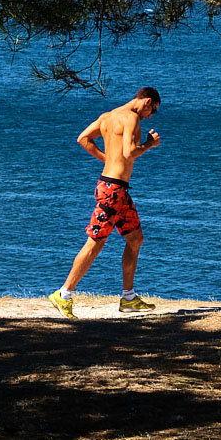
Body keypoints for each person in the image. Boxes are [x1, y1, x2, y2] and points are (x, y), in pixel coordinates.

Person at [49, 87, 162, 318]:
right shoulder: (131, 118)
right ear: (147, 101)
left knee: (135, 239)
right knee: (95, 242)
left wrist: (107, 159)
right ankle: (64, 294)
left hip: (116, 189)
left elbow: (83, 139)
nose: (150, 116)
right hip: (113, 191)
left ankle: (128, 298)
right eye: (153, 110)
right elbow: (130, 152)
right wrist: (150, 144)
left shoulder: (107, 117)